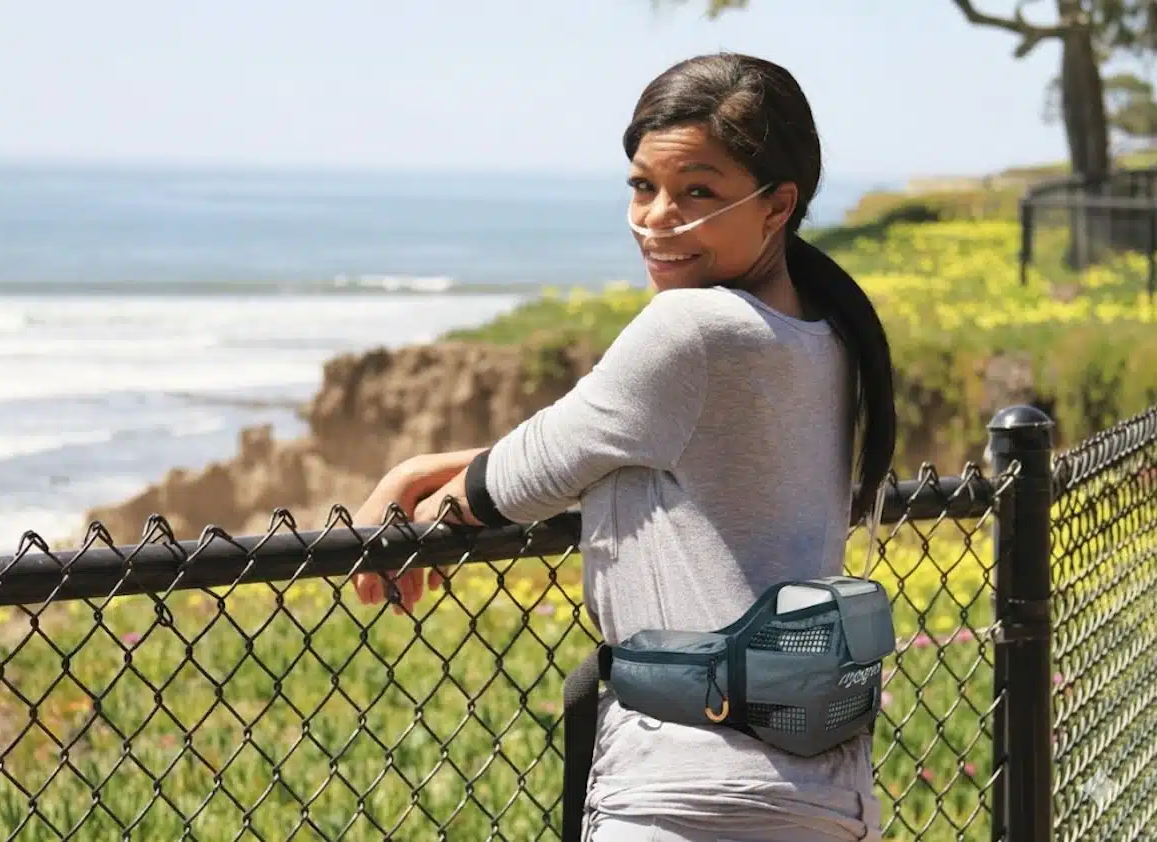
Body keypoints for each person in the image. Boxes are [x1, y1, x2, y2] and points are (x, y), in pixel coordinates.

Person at [352, 52, 896, 842]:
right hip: (826, 788)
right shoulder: (827, 332)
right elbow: (595, 441)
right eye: (643, 186)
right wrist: (428, 468)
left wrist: (415, 484)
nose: (655, 218)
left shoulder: (691, 329)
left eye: (697, 192)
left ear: (778, 206)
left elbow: (516, 483)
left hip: (692, 792)